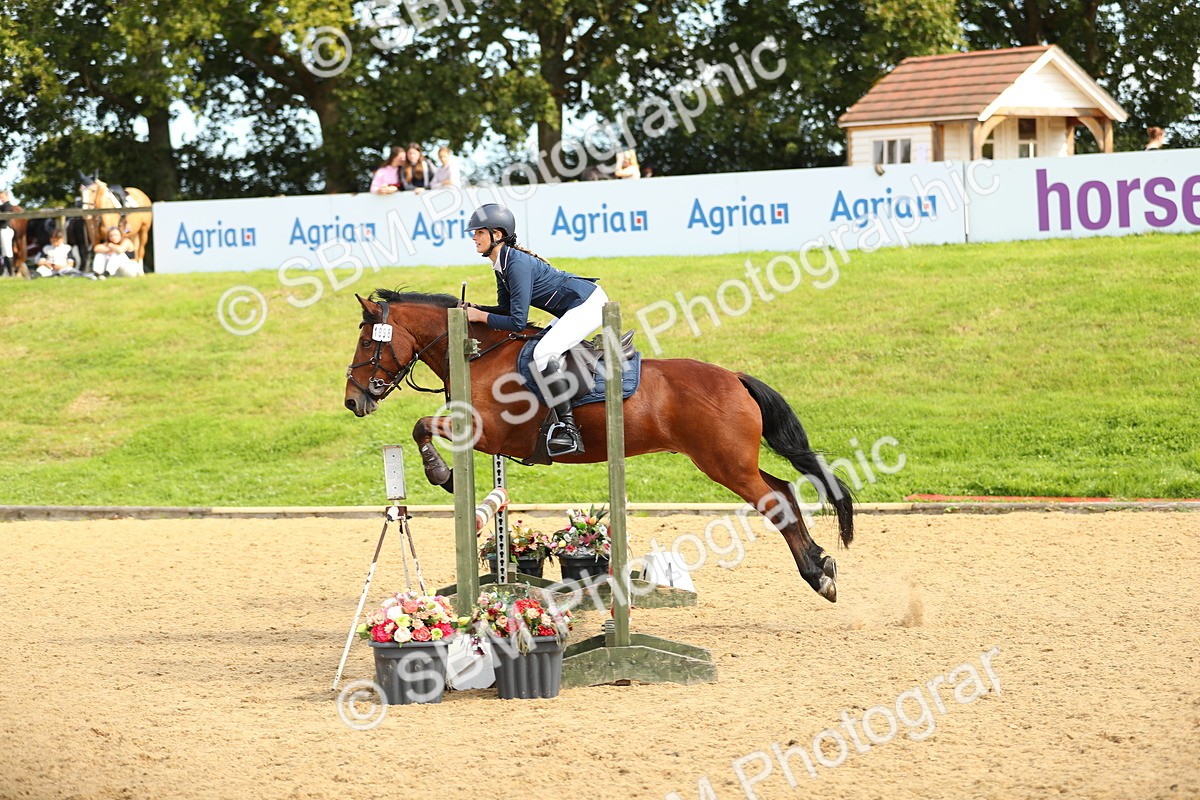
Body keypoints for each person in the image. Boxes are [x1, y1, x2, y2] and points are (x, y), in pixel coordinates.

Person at [463, 203, 608, 457]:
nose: (473, 237)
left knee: (543, 353)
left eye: (479, 232)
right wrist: (475, 309)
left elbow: (517, 322)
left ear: (497, 234)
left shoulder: (516, 264)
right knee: (538, 348)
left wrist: (479, 316)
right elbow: (505, 309)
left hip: (588, 304)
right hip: (573, 306)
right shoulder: (502, 264)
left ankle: (570, 431)